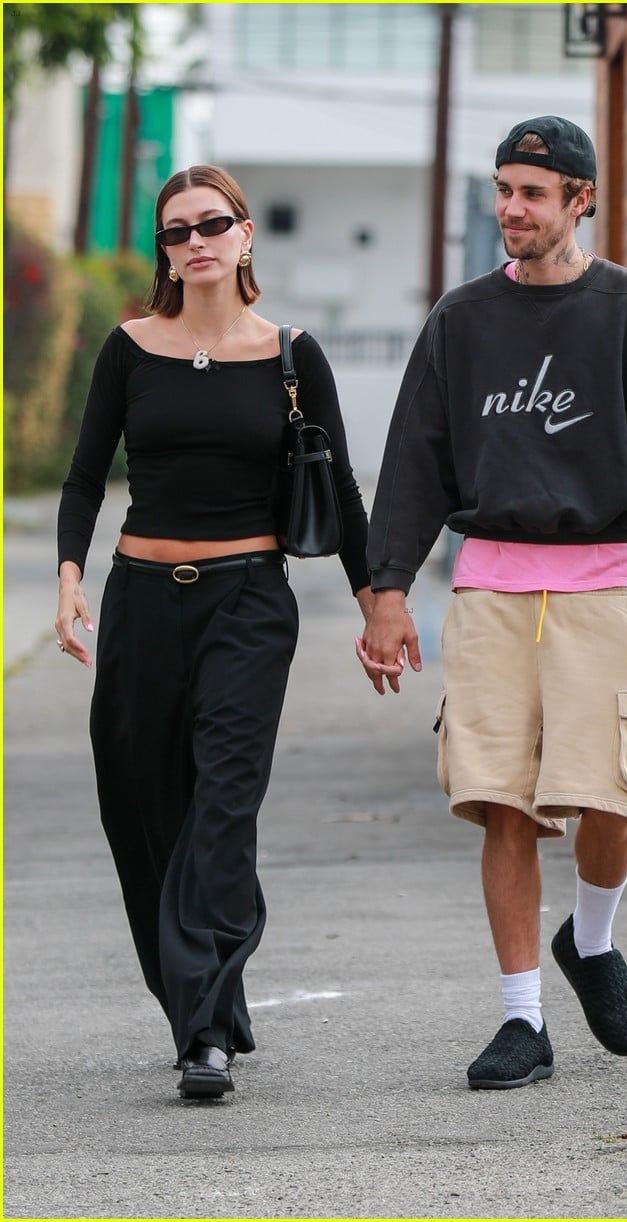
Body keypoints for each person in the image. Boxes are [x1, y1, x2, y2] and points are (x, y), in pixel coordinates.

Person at [357, 116, 627, 1089]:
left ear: (579, 201)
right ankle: (524, 1017)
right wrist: (387, 589)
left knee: (615, 791)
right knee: (499, 801)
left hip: (607, 578)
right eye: (503, 189)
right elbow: (414, 463)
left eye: (532, 192)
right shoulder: (461, 321)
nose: (511, 208)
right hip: (491, 583)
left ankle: (591, 940)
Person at [55, 165, 373, 1100]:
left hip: (248, 601)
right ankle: (208, 995)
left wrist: (377, 599)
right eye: (175, 231)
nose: (193, 242)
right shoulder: (129, 348)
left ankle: (203, 1035)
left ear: (244, 236)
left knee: (223, 806)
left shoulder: (291, 355)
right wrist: (72, 579)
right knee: (143, 808)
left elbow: (343, 490)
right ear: (165, 250)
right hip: (143, 601)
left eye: (212, 224)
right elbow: (82, 479)